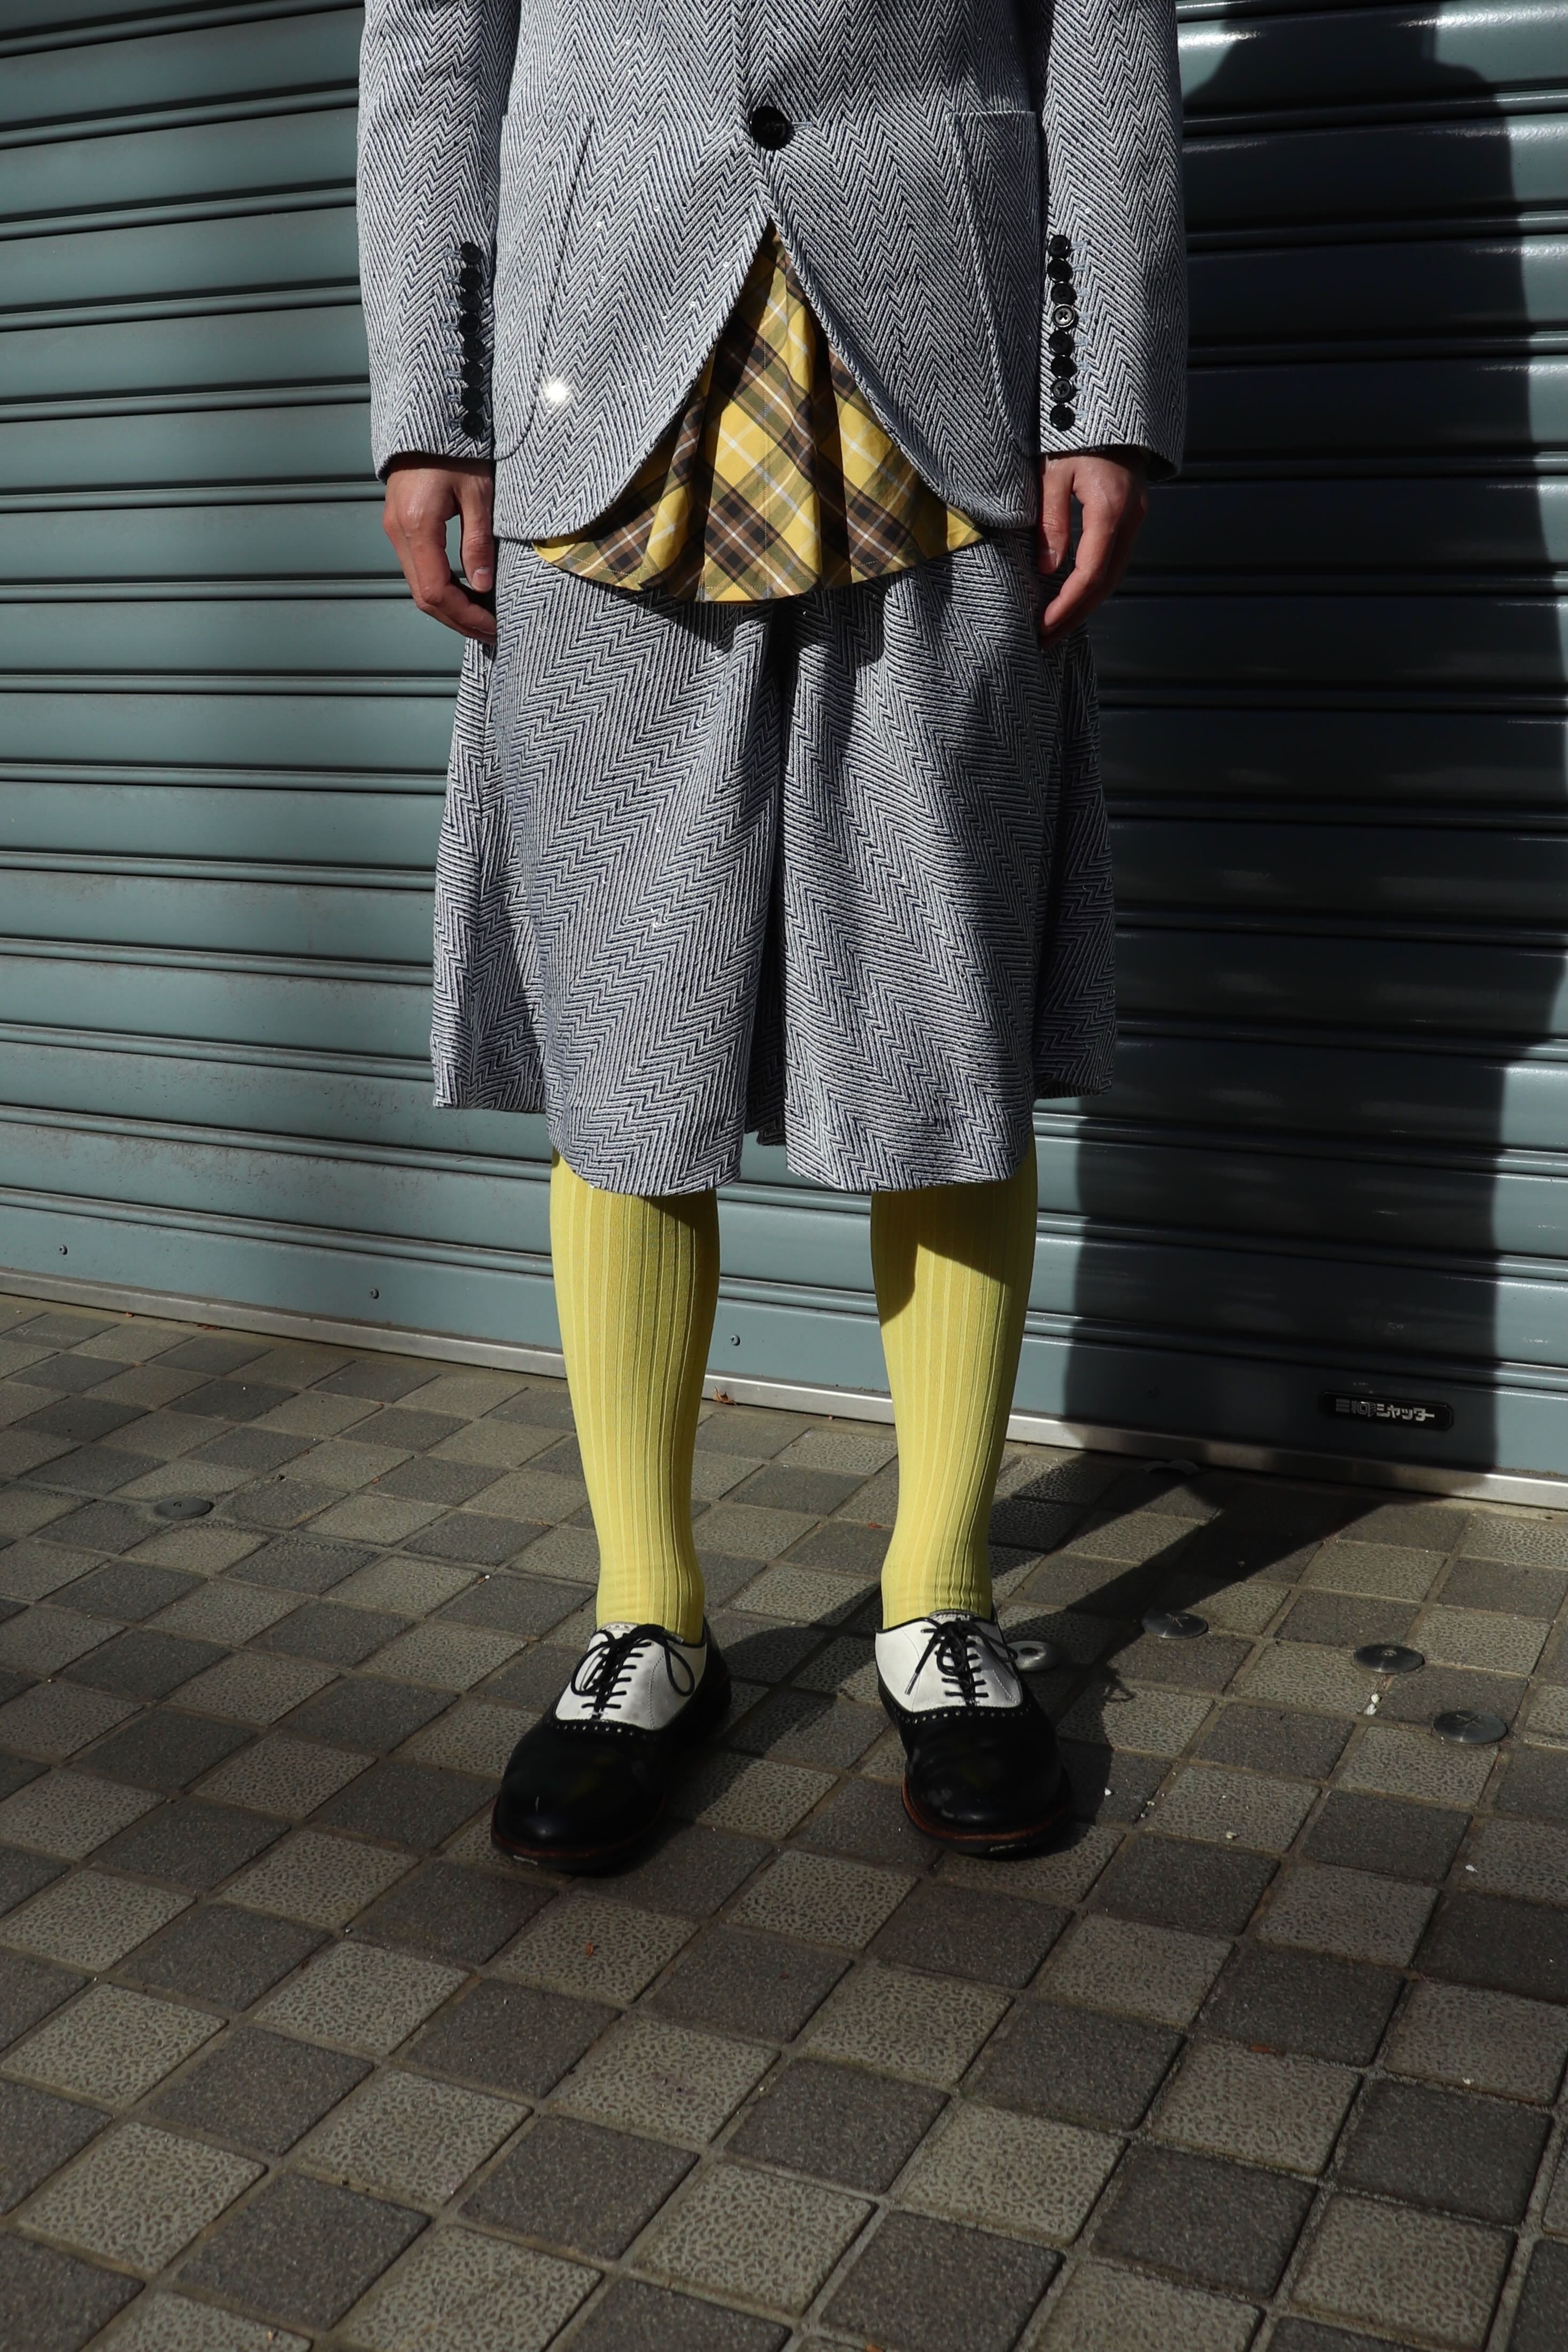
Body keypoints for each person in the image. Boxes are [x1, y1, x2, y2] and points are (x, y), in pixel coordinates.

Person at [358, 0, 1186, 1871]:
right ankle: (646, 1617)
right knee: (624, 1037)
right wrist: (433, 404)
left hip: (947, 393)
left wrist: (1104, 394)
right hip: (590, 390)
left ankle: (941, 1598)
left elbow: (1101, 44)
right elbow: (428, 61)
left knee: (941, 1022)